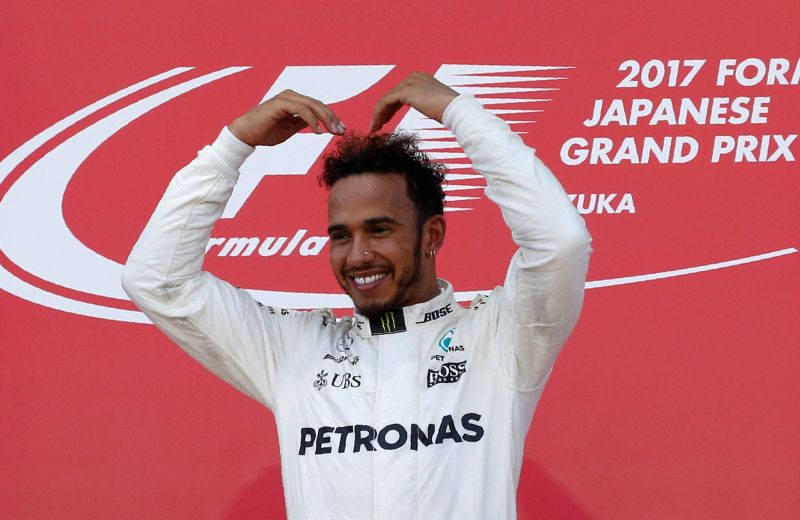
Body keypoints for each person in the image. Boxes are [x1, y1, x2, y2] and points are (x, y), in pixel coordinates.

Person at [122, 72, 592, 520]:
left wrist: (460, 114)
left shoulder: (500, 339)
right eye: (341, 236)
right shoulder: (294, 350)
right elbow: (158, 281)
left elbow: (560, 243)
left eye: (380, 230)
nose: (359, 254)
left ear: (431, 235)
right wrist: (233, 146)